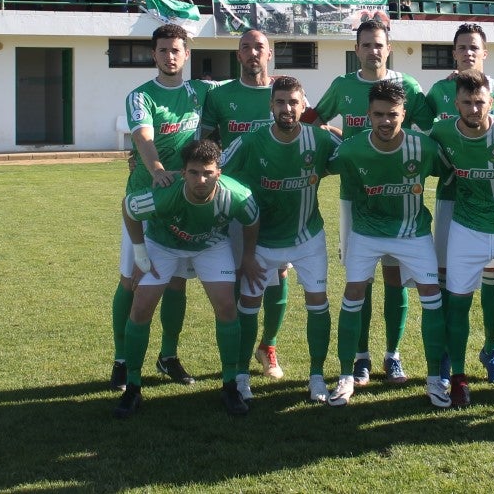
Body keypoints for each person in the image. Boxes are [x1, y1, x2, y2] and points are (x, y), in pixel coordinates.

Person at [313, 19, 431, 388]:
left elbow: (431, 128)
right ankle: (361, 356)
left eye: (378, 44)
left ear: (388, 48)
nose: (372, 51)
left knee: (395, 278)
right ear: (356, 49)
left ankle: (392, 355)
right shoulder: (343, 85)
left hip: (399, 199)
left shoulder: (407, 85)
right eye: (366, 45)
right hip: (354, 200)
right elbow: (314, 120)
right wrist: (333, 138)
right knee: (358, 280)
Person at [423, 23, 494, 388]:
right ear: (453, 53)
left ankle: (492, 350)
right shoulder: (439, 91)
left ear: (485, 53)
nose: (468, 52)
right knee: (449, 282)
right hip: (452, 200)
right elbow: (425, 136)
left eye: (474, 47)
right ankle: (448, 355)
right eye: (462, 47)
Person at [114, 139, 264, 419]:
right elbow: (129, 208)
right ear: (183, 173)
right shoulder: (165, 194)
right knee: (141, 306)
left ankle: (230, 385)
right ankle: (132, 387)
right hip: (163, 244)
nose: (201, 180)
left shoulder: (237, 195)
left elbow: (252, 220)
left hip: (211, 245)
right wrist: (140, 253)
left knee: (226, 306)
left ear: (219, 172)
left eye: (208, 173)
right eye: (194, 173)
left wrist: (248, 257)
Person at [326, 79, 450, 408]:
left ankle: (434, 379)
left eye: (393, 114)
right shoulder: (351, 150)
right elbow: (323, 166)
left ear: (404, 114)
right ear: (368, 115)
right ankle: (346, 375)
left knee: (431, 295)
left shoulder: (423, 147)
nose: (385, 121)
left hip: (412, 232)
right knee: (354, 292)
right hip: (366, 233)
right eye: (379, 114)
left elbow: (450, 171)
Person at [220, 76, 341, 404]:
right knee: (249, 306)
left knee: (318, 303)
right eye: (280, 102)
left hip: (307, 237)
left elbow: (356, 154)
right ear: (271, 106)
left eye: (293, 102)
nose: (287, 108)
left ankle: (317, 377)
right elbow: (215, 171)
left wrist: (337, 132)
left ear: (303, 106)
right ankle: (241, 375)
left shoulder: (319, 139)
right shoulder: (250, 141)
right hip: (261, 240)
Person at [110, 24, 216, 392]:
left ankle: (168, 355)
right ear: (153, 55)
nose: (170, 56)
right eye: (163, 50)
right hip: (145, 198)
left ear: (187, 54)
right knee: (131, 279)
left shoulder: (202, 92)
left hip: (184, 200)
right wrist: (156, 170)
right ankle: (122, 359)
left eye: (176, 50)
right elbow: (143, 136)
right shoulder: (141, 96)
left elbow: (244, 94)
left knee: (176, 281)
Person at [201, 30, 295, 382]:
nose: (253, 53)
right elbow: (205, 146)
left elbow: (309, 132)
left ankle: (268, 345)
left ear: (269, 54)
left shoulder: (285, 93)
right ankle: (240, 352)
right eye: (246, 47)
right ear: (238, 55)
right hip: (236, 202)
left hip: (279, 199)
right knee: (243, 274)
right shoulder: (220, 96)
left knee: (278, 274)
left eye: (259, 47)